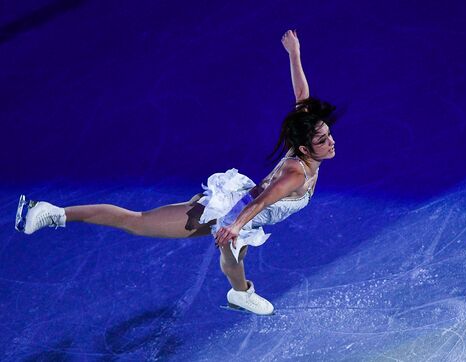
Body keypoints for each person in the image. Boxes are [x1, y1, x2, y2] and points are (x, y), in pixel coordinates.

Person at [14, 30, 337, 315]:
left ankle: (241, 292)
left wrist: (294, 54)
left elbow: (301, 97)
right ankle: (51, 213)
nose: (331, 142)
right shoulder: (296, 172)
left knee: (233, 254)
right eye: (322, 139)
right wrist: (234, 225)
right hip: (232, 210)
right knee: (140, 223)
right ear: (306, 149)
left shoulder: (302, 141)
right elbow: (263, 201)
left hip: (239, 206)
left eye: (327, 134)